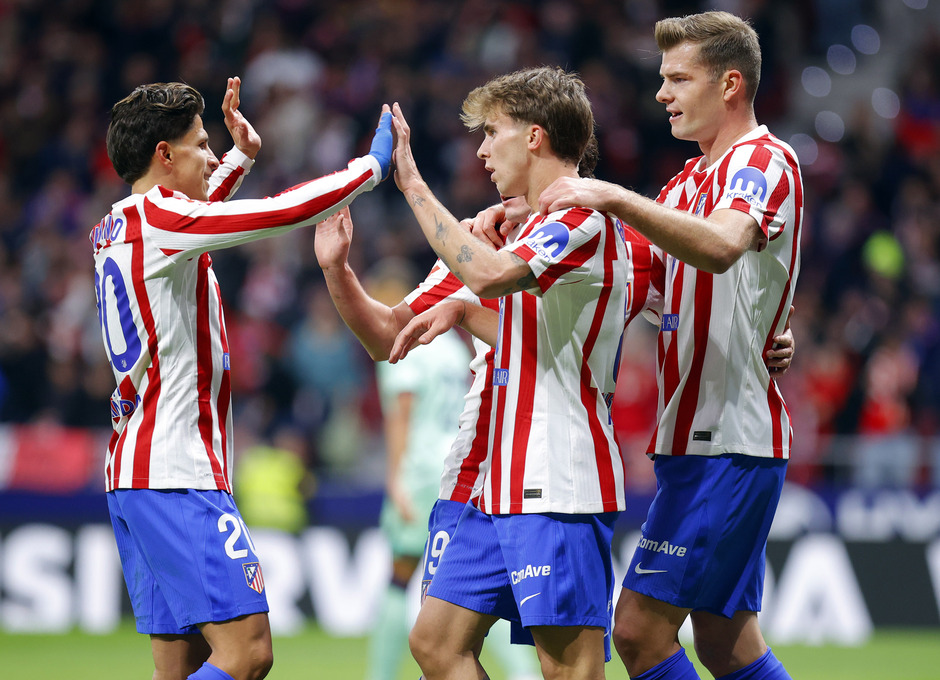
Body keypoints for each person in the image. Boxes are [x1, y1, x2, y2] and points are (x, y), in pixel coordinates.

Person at [91, 77, 392, 680]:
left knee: (183, 668)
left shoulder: (119, 226)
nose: (210, 154)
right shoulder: (162, 221)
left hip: (135, 474)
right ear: (164, 155)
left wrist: (240, 158)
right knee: (249, 653)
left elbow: (195, 220)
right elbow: (277, 214)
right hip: (177, 474)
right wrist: (371, 167)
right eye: (201, 144)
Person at [539, 11, 802, 680]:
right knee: (723, 642)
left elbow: (720, 246)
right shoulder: (686, 184)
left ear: (731, 85)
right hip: (693, 442)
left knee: (636, 632)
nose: (662, 93)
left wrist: (612, 197)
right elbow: (627, 284)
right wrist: (530, 231)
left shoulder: (762, 161)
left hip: (729, 442)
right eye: (663, 79)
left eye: (679, 78)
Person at [385, 66, 634, 680]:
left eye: (492, 131)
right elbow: (501, 310)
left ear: (534, 137)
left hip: (560, 474)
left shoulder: (584, 218)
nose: (480, 147)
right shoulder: (523, 230)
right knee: (436, 644)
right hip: (495, 479)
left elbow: (491, 276)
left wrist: (411, 182)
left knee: (568, 668)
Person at [360, 258, 475, 680]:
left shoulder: (403, 344)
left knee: (400, 574)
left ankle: (380, 674)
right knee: (461, 583)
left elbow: (401, 416)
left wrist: (394, 479)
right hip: (456, 465)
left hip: (420, 470)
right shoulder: (451, 346)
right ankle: (521, 671)